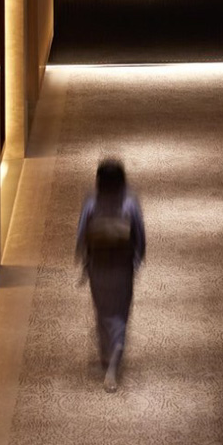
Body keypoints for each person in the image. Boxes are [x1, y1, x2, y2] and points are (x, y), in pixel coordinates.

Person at [75, 158, 146, 392]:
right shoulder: (129, 202)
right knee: (120, 313)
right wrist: (136, 259)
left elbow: (82, 233)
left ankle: (107, 353)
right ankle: (114, 359)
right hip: (122, 266)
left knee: (103, 311)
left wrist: (83, 260)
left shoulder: (92, 202)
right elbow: (139, 234)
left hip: (99, 266)